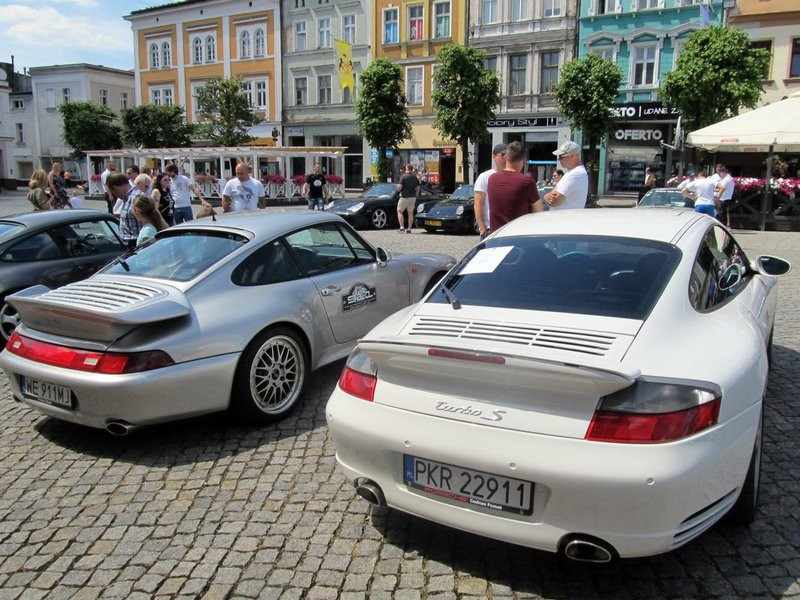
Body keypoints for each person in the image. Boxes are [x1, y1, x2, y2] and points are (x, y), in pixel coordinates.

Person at [486, 141, 543, 232]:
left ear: (506, 157)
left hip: (496, 235)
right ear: (523, 160)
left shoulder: (492, 179)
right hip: (518, 235)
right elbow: (539, 212)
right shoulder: (527, 182)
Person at [473, 143, 507, 239]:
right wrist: (482, 229)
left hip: (509, 227)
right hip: (490, 228)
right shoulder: (485, 176)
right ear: (494, 157)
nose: (505, 158)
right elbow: (478, 204)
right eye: (503, 154)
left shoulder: (514, 176)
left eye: (508, 155)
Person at [544, 141, 588, 210]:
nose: (558, 159)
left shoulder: (575, 174)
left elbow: (553, 201)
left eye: (561, 156)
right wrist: (547, 196)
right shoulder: (572, 172)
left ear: (572, 156)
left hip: (564, 216)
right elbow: (551, 195)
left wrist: (546, 196)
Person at [106, 173, 142, 249]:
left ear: (116, 188)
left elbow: (150, 220)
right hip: (131, 243)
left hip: (138, 243)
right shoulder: (127, 198)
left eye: (113, 192)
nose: (115, 195)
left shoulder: (136, 198)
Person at [396, 164, 420, 233]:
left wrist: (397, 188)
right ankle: (409, 229)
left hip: (404, 196)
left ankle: (402, 227)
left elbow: (399, 187)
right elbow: (418, 188)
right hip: (413, 197)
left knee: (400, 211)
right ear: (412, 169)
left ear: (407, 168)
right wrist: (416, 194)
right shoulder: (415, 177)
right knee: (410, 212)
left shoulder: (403, 176)